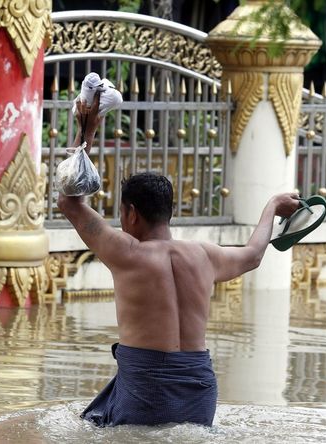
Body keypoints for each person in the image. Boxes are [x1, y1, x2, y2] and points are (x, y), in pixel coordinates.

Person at [57, 94, 301, 428]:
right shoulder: (203, 254)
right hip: (200, 387)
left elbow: (69, 202)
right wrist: (272, 206)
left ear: (130, 213)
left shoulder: (126, 252)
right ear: (169, 212)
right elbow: (253, 255)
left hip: (146, 388)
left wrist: (87, 130)